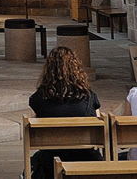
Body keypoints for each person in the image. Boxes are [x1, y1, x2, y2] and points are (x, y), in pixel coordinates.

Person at [27, 46, 102, 179]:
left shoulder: (39, 97)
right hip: (86, 159)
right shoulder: (89, 96)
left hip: (51, 161)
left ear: (49, 70)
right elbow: (98, 125)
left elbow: (34, 133)